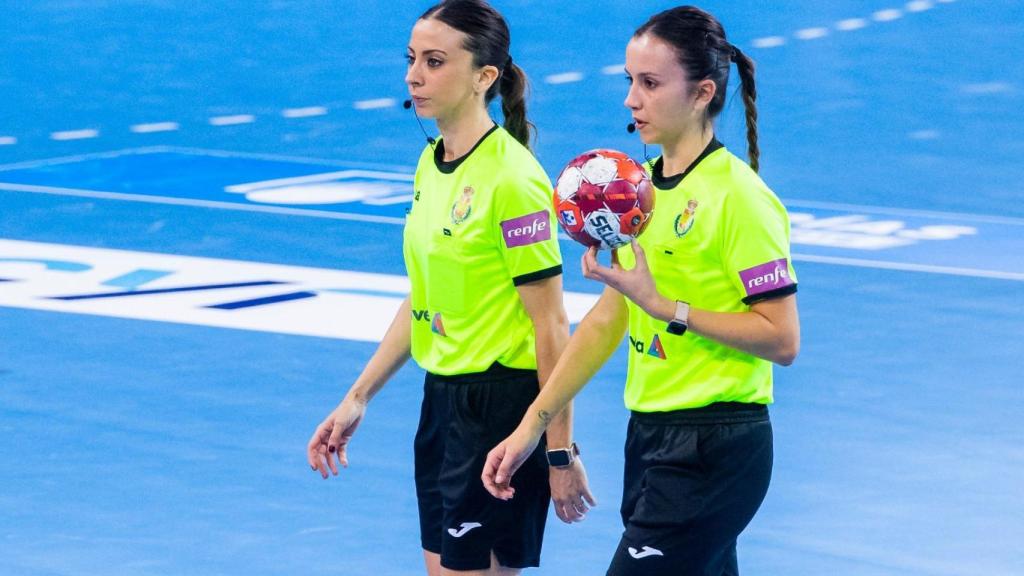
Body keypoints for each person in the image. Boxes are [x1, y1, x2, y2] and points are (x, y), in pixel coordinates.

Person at [481, 6, 800, 575]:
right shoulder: (638, 194)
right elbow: (607, 320)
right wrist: (534, 428)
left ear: (703, 92)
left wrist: (667, 308)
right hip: (650, 436)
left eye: (650, 83)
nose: (632, 99)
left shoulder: (740, 199)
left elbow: (782, 339)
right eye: (630, 80)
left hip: (715, 444)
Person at [306, 1, 594, 574]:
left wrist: (559, 449)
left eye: (435, 62)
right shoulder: (430, 161)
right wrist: (358, 396)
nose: (415, 76)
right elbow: (424, 296)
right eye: (412, 59)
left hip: (501, 411)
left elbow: (551, 326)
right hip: (442, 403)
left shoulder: (513, 181)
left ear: (484, 77)